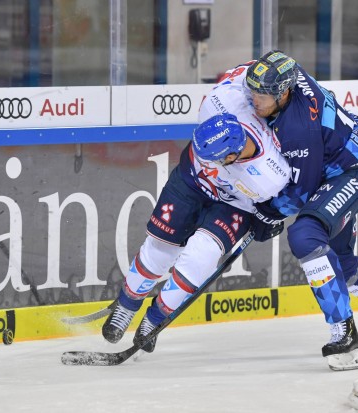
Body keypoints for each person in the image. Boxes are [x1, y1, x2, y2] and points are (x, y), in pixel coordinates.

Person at [238, 50, 358, 371]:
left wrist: (266, 214)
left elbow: (300, 193)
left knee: (304, 234)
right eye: (252, 91)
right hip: (338, 165)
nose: (254, 100)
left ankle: (343, 332)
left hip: (356, 169)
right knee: (342, 267)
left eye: (262, 95)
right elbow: (277, 57)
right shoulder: (290, 77)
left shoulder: (298, 130)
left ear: (284, 92)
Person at [101, 80, 291, 353]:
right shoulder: (220, 100)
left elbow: (297, 188)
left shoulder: (271, 173)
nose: (210, 165)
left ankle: (153, 320)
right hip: (190, 180)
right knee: (160, 248)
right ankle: (126, 305)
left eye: (215, 160)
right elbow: (244, 73)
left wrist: (272, 215)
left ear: (234, 155)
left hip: (236, 205)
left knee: (200, 259)